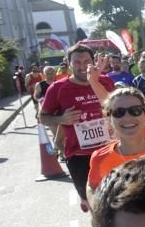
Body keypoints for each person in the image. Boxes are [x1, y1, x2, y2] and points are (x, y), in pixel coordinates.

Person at [40, 45, 116, 211]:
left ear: (93, 61)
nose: (82, 66)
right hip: (79, 156)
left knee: (118, 200)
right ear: (69, 63)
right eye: (77, 62)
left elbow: (119, 108)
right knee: (93, 205)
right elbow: (42, 117)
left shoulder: (105, 81)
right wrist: (61, 118)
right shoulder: (58, 88)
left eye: (86, 61)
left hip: (110, 151)